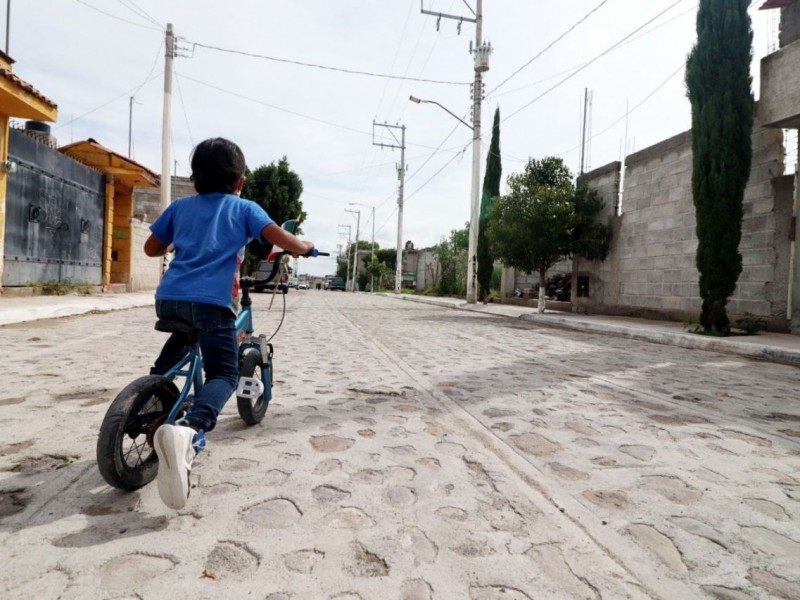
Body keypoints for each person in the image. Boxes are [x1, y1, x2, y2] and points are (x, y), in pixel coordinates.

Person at [143, 137, 314, 509]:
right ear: (240, 181)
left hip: (169, 300)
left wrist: (180, 237)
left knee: (175, 353)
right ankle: (190, 430)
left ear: (195, 177)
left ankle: (149, 398)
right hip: (213, 302)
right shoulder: (244, 208)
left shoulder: (180, 207)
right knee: (225, 373)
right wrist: (306, 246)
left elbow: (151, 249)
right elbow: (285, 240)